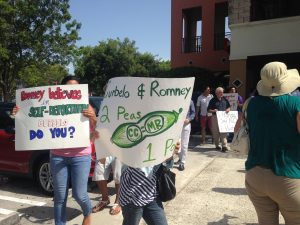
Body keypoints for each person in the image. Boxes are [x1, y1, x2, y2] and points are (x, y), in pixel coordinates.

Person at [13, 76, 96, 225]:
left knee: (80, 194)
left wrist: (94, 118)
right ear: (62, 89)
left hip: (81, 155)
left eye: (75, 88)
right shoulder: (52, 104)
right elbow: (34, 119)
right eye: (68, 87)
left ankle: (88, 211)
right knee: (59, 197)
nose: (72, 90)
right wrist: (19, 114)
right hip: (58, 156)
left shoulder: (87, 107)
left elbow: (96, 133)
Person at [235, 62, 300, 224]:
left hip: (255, 175)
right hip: (288, 176)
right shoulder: (296, 105)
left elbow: (237, 129)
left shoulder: (249, 104)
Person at [119, 142, 180, 225]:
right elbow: (103, 159)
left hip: (152, 195)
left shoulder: (158, 137)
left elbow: (164, 165)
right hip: (131, 198)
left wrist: (170, 153)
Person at [207, 87, 231, 152]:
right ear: (217, 93)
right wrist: (213, 110)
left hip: (223, 118)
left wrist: (228, 110)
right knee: (216, 132)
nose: (222, 93)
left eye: (222, 92)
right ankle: (217, 145)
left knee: (224, 132)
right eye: (221, 92)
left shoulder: (225, 99)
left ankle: (224, 146)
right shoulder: (212, 100)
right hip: (215, 118)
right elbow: (208, 110)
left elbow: (229, 107)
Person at [175, 100, 195, 171]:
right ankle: (180, 158)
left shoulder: (190, 101)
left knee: (184, 145)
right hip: (176, 125)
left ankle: (182, 162)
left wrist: (189, 119)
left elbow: (193, 113)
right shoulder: (177, 98)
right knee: (177, 144)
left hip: (186, 125)